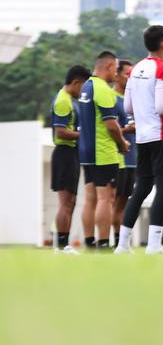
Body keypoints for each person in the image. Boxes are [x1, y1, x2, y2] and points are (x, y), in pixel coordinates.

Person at [117, 27, 163, 254]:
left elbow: (128, 106)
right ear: (162, 44)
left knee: (141, 189)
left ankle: (122, 245)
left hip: (144, 137)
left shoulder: (137, 68)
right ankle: (153, 245)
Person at [76, 52, 127, 251]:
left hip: (86, 152)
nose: (116, 72)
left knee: (90, 199)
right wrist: (122, 144)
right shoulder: (103, 89)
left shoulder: (86, 87)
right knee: (107, 199)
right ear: (108, 66)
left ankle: (90, 242)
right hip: (103, 152)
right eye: (115, 68)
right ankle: (104, 243)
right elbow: (112, 126)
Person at [50, 65, 90, 252]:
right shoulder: (63, 101)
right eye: (83, 86)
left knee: (71, 201)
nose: (83, 91)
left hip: (72, 154)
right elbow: (61, 132)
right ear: (76, 82)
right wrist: (85, 135)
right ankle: (62, 245)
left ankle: (64, 243)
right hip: (64, 153)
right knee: (65, 202)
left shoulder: (71, 100)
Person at [111, 60, 137, 247]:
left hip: (134, 158)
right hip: (117, 158)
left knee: (125, 202)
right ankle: (114, 241)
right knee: (114, 201)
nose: (131, 78)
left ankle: (123, 242)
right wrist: (128, 129)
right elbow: (109, 127)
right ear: (117, 75)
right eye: (128, 74)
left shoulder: (134, 99)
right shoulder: (111, 98)